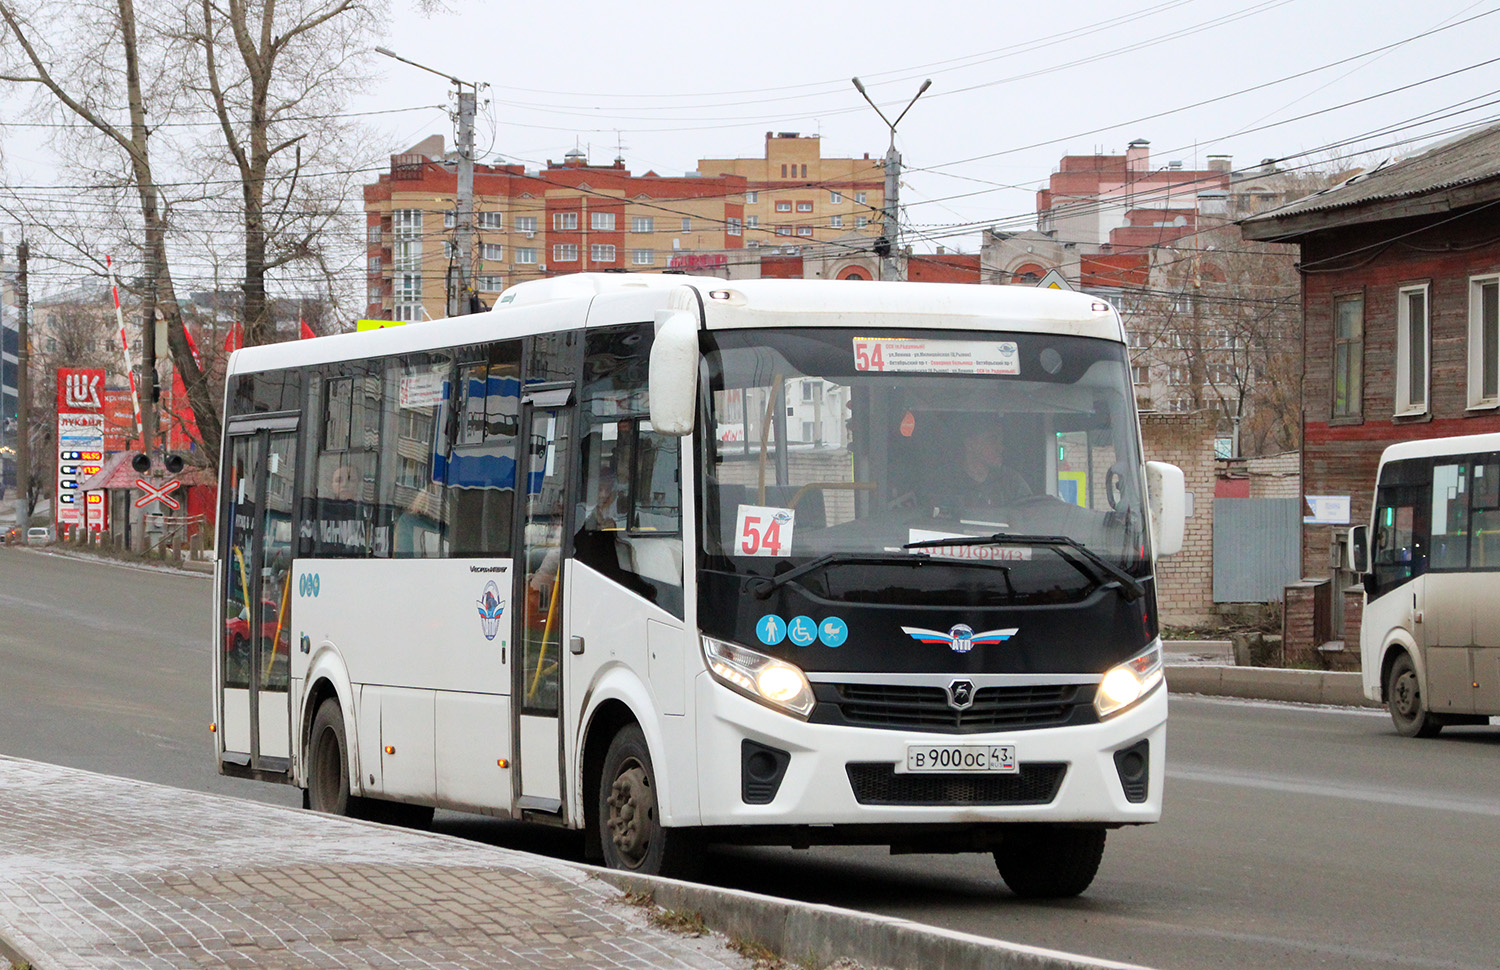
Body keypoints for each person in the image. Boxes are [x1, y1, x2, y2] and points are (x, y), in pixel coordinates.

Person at [954, 424, 1031, 508]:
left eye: (1001, 442)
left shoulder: (1012, 482)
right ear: (970, 444)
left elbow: (1030, 516)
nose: (1000, 448)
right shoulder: (947, 481)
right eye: (992, 440)